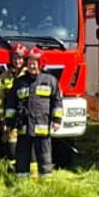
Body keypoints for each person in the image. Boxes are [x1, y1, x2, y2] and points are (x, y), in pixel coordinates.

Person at [10, 47, 64, 179]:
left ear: (40, 63)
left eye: (34, 63)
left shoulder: (50, 80)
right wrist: (9, 122)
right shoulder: (19, 82)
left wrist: (57, 120)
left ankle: (45, 183)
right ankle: (21, 181)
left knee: (44, 155)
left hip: (42, 125)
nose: (31, 66)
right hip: (24, 126)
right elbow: (11, 103)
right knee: (22, 154)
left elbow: (57, 102)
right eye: (29, 63)